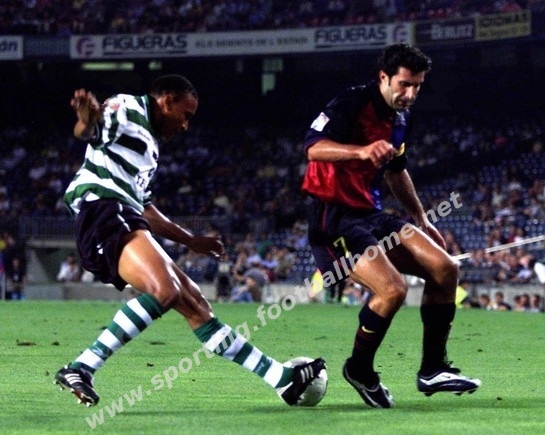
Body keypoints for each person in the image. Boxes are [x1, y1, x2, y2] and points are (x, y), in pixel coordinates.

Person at [54, 74, 325, 407]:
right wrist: (86, 119)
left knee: (196, 303)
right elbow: (89, 131)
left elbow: (145, 208)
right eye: (185, 115)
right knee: (165, 290)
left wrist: (190, 240)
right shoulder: (126, 107)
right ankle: (82, 367)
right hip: (103, 209)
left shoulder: (150, 146)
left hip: (126, 213)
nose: (185, 125)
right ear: (167, 100)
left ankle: (282, 379)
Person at [301, 44, 480, 408]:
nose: (410, 93)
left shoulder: (400, 118)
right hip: (332, 217)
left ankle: (433, 369)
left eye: (418, 86)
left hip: (371, 214)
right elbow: (312, 147)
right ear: (384, 77)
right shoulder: (351, 103)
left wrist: (421, 218)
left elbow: (397, 170)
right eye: (404, 84)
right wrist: (361, 151)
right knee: (392, 290)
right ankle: (359, 370)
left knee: (445, 268)